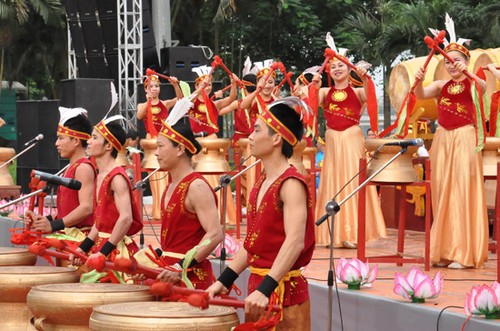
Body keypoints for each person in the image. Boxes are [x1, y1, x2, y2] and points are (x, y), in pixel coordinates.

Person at [207, 97, 315, 330]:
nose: (251, 137)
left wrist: (266, 289)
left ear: (276, 138)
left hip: (283, 297)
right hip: (260, 293)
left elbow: (295, 242)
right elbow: (253, 244)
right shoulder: (261, 183)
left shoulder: (291, 183)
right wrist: (224, 280)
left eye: (257, 130)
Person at [415, 15, 488, 269]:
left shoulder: (472, 82)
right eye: (448, 61)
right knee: (444, 190)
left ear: (466, 62)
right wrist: (418, 79)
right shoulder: (440, 84)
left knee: (462, 189)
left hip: (466, 136)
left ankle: (463, 253)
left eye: (457, 61)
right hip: (443, 138)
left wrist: (468, 72)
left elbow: (483, 86)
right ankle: (445, 250)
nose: (452, 65)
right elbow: (421, 94)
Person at [314, 44, 386, 248]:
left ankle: (353, 233)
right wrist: (314, 86)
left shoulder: (357, 92)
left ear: (348, 69)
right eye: (333, 66)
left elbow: (371, 96)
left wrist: (365, 78)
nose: (337, 69)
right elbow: (310, 99)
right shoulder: (326, 93)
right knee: (332, 181)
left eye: (341, 66)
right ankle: (333, 234)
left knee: (353, 180)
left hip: (352, 138)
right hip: (333, 140)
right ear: (329, 70)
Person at [70, 115, 143, 281]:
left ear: (108, 145)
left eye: (94, 138)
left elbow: (125, 218)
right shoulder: (100, 174)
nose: (88, 141)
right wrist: (83, 248)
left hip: (116, 250)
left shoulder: (117, 177)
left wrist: (104, 252)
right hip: (103, 247)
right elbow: (100, 222)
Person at [154, 115, 223, 289]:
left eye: (161, 146)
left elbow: (215, 234)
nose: (156, 153)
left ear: (180, 149)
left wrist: (181, 266)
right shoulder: (170, 186)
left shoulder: (196, 186)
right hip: (168, 274)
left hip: (190, 279)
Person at [28, 107, 95, 239]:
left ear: (76, 141)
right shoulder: (72, 167)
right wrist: (43, 220)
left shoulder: (83, 168)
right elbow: (68, 211)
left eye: (61, 138)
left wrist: (53, 226)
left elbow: (86, 207)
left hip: (80, 238)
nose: (56, 143)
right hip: (70, 235)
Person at [137, 72, 183, 138]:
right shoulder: (141, 105)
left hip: (165, 136)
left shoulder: (165, 104)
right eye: (151, 86)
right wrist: (148, 102)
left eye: (156, 86)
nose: (154, 89)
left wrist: (176, 85)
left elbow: (180, 100)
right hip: (151, 137)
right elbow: (139, 116)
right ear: (145, 89)